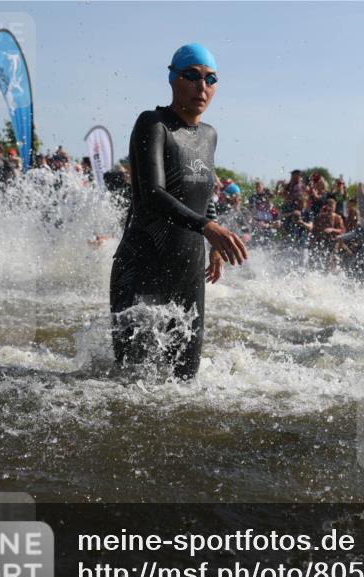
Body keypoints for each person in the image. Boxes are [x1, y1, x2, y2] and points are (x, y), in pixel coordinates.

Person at [110, 43, 247, 380]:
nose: (202, 87)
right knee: (129, 386)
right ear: (173, 79)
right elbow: (153, 195)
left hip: (187, 274)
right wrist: (207, 228)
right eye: (192, 76)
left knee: (184, 384)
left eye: (211, 79)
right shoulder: (153, 124)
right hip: (141, 268)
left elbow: (205, 194)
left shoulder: (209, 135)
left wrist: (212, 236)